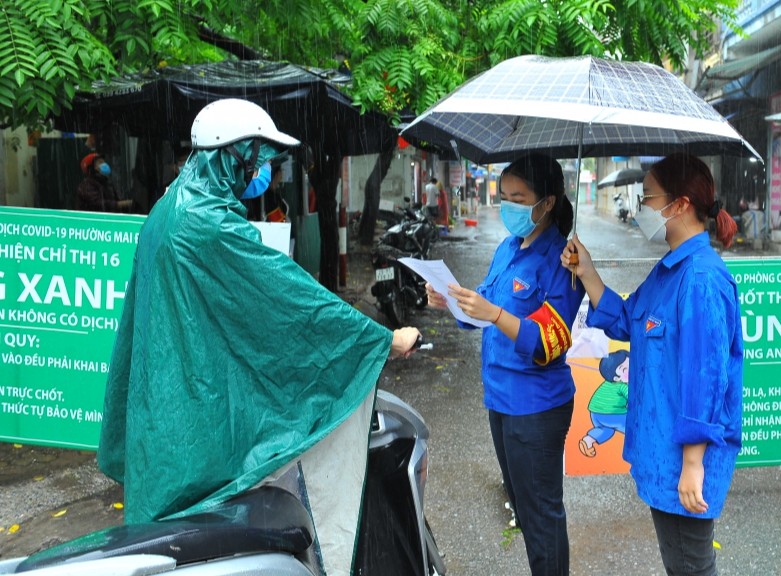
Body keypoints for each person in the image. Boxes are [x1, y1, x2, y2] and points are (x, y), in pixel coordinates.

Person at [97, 98, 421, 575]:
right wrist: (381, 340)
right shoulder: (209, 225)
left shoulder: (170, 208)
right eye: (260, 158)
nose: (264, 170)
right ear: (231, 155)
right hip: (195, 423)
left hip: (169, 406)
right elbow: (290, 302)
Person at [561, 152, 743, 576]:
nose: (641, 206)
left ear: (679, 205)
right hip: (662, 449)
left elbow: (706, 378)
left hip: (684, 457)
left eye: (648, 197)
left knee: (691, 566)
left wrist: (694, 464)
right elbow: (627, 320)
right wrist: (587, 271)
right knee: (683, 563)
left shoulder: (701, 278)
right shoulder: (669, 271)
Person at [424, 153, 583, 576]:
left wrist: (496, 314)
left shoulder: (564, 261)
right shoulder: (507, 249)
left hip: (537, 407)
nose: (508, 206)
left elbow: (551, 341)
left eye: (518, 197)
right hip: (500, 399)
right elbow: (480, 307)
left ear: (546, 203)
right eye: (504, 196)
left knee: (541, 514)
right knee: (524, 506)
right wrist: (450, 301)